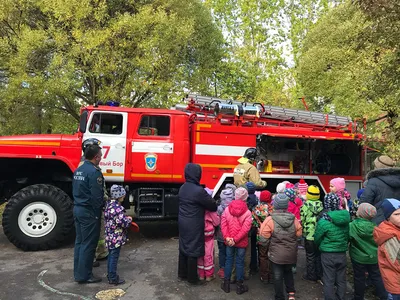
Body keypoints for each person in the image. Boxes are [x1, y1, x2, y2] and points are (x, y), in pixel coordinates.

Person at [178, 163, 217, 285]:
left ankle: (182, 274)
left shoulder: (183, 187)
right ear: (198, 174)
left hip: (183, 221)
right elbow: (212, 205)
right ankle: (192, 278)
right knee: (193, 249)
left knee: (184, 246)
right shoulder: (199, 191)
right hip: (194, 223)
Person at [259, 193, 302, 300]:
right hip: (291, 253)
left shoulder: (270, 220)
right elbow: (299, 235)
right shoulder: (294, 219)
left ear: (275, 205)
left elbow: (263, 238)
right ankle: (291, 293)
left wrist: (266, 245)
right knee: (288, 272)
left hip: (276, 255)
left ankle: (279, 296)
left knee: (277, 276)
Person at [73, 144, 104, 284]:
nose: (101, 157)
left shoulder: (79, 170)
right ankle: (85, 275)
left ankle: (78, 273)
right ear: (96, 157)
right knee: (89, 244)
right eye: (101, 155)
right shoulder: (94, 172)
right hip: (89, 212)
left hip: (78, 208)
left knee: (79, 242)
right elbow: (97, 197)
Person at [314, 193, 351, 300]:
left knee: (329, 279)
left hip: (327, 254)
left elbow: (317, 238)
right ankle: (341, 297)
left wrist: (321, 246)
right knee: (341, 279)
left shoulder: (323, 221)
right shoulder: (345, 219)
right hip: (342, 253)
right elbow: (347, 236)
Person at [79, 138, 109, 267]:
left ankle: (100, 253)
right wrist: (106, 200)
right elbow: (96, 191)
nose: (101, 156)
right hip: (91, 208)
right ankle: (89, 261)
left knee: (96, 234)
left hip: (86, 207)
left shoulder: (84, 167)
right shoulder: (90, 169)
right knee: (90, 236)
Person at [349, 203, 387, 300]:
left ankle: (358, 297)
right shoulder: (375, 227)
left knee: (359, 278)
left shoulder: (352, 226)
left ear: (360, 212)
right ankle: (384, 296)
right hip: (373, 257)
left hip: (358, 257)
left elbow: (349, 238)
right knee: (376, 276)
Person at [220, 187, 252, 294]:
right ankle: (239, 286)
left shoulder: (227, 209)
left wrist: (228, 238)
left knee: (229, 260)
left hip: (229, 241)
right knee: (239, 262)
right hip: (241, 242)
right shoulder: (247, 212)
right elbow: (245, 229)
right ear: (245, 197)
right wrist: (236, 239)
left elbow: (223, 224)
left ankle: (226, 285)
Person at [104, 185, 132, 285]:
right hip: (116, 238)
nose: (124, 197)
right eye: (123, 196)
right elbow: (123, 222)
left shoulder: (109, 205)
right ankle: (113, 277)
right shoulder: (118, 208)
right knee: (114, 257)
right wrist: (129, 219)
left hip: (109, 236)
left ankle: (110, 275)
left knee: (111, 256)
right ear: (119, 196)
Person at [360, 155, 400, 224]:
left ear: (377, 167)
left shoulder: (373, 181)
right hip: (397, 221)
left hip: (378, 222)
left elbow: (364, 202)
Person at [373, 199, 400, 300]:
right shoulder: (388, 236)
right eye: (396, 214)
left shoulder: (397, 228)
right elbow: (397, 263)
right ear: (388, 217)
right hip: (396, 286)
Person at [300, 185, 324, 283]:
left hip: (309, 235)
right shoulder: (321, 205)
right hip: (319, 235)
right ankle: (319, 274)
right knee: (318, 255)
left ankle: (311, 276)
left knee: (310, 256)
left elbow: (302, 220)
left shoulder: (305, 206)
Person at [197, 188, 220, 281]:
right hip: (209, 235)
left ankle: (201, 274)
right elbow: (216, 222)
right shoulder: (211, 210)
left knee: (200, 255)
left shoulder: (197, 207)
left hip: (199, 234)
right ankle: (209, 275)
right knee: (208, 255)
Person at [216, 184, 236, 279]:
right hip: (230, 235)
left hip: (220, 235)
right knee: (230, 253)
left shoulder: (219, 208)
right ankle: (230, 268)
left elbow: (216, 221)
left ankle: (222, 268)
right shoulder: (233, 209)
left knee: (222, 252)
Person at [253, 190, 272, 283]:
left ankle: (264, 276)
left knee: (262, 256)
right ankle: (272, 276)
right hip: (272, 235)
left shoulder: (257, 208)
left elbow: (253, 222)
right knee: (272, 255)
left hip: (260, 235)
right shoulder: (273, 208)